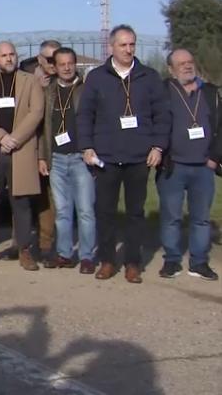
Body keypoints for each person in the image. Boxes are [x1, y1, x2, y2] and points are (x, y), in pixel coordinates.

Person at [78, 24, 170, 283]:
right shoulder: (96, 77)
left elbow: (162, 115)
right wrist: (87, 146)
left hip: (139, 157)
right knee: (105, 212)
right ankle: (107, 260)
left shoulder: (149, 77)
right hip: (105, 158)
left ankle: (132, 262)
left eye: (132, 45)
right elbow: (85, 114)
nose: (128, 49)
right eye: (123, 45)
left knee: (135, 213)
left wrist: (157, 146)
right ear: (111, 47)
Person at [0, 41, 44, 271]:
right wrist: (1, 137)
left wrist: (16, 139)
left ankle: (24, 250)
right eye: (4, 55)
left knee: (21, 201)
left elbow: (36, 112)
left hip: (20, 149)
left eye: (12, 54)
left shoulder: (30, 81)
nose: (9, 58)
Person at [156, 49, 219, 281]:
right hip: (173, 166)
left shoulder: (210, 92)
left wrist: (215, 157)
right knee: (171, 216)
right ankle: (172, 260)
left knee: (201, 218)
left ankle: (199, 262)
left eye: (190, 62)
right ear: (171, 69)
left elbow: (220, 128)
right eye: (181, 63)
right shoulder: (163, 92)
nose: (187, 66)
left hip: (204, 166)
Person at [37, 48, 96, 273]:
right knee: (62, 211)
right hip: (56, 158)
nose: (67, 67)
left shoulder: (85, 90)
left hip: (80, 157)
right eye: (62, 64)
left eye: (70, 63)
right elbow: (42, 128)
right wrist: (42, 156)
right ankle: (64, 254)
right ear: (55, 66)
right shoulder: (48, 91)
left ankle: (87, 256)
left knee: (85, 210)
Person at [22, 40, 60, 265]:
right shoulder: (24, 77)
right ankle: (22, 242)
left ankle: (46, 243)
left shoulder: (62, 80)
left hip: (51, 145)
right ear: (39, 59)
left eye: (57, 59)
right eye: (49, 60)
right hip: (26, 143)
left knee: (47, 198)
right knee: (22, 195)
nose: (54, 64)